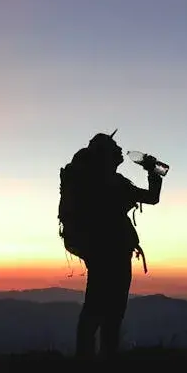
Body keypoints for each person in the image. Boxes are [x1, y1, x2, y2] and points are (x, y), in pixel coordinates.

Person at [59, 131, 163, 359]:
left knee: (95, 304)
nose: (119, 150)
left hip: (97, 250)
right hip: (113, 250)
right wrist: (153, 170)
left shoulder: (90, 181)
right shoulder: (112, 182)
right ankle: (106, 356)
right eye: (114, 147)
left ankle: (86, 356)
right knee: (112, 308)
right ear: (105, 154)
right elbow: (152, 197)